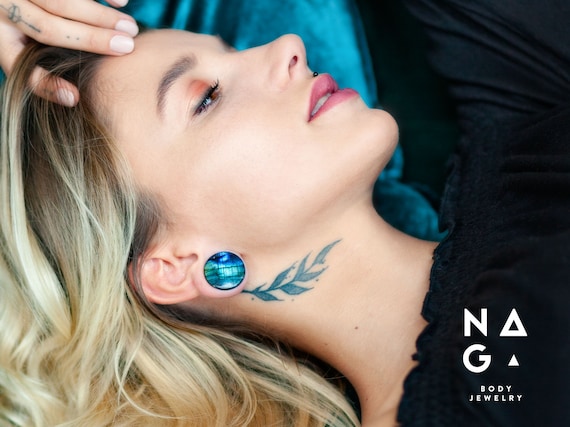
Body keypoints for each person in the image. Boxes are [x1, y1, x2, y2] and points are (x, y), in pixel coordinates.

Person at [0, 1, 569, 427]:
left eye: (231, 49)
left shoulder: (516, 122)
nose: (288, 44)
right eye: (206, 97)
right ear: (174, 267)